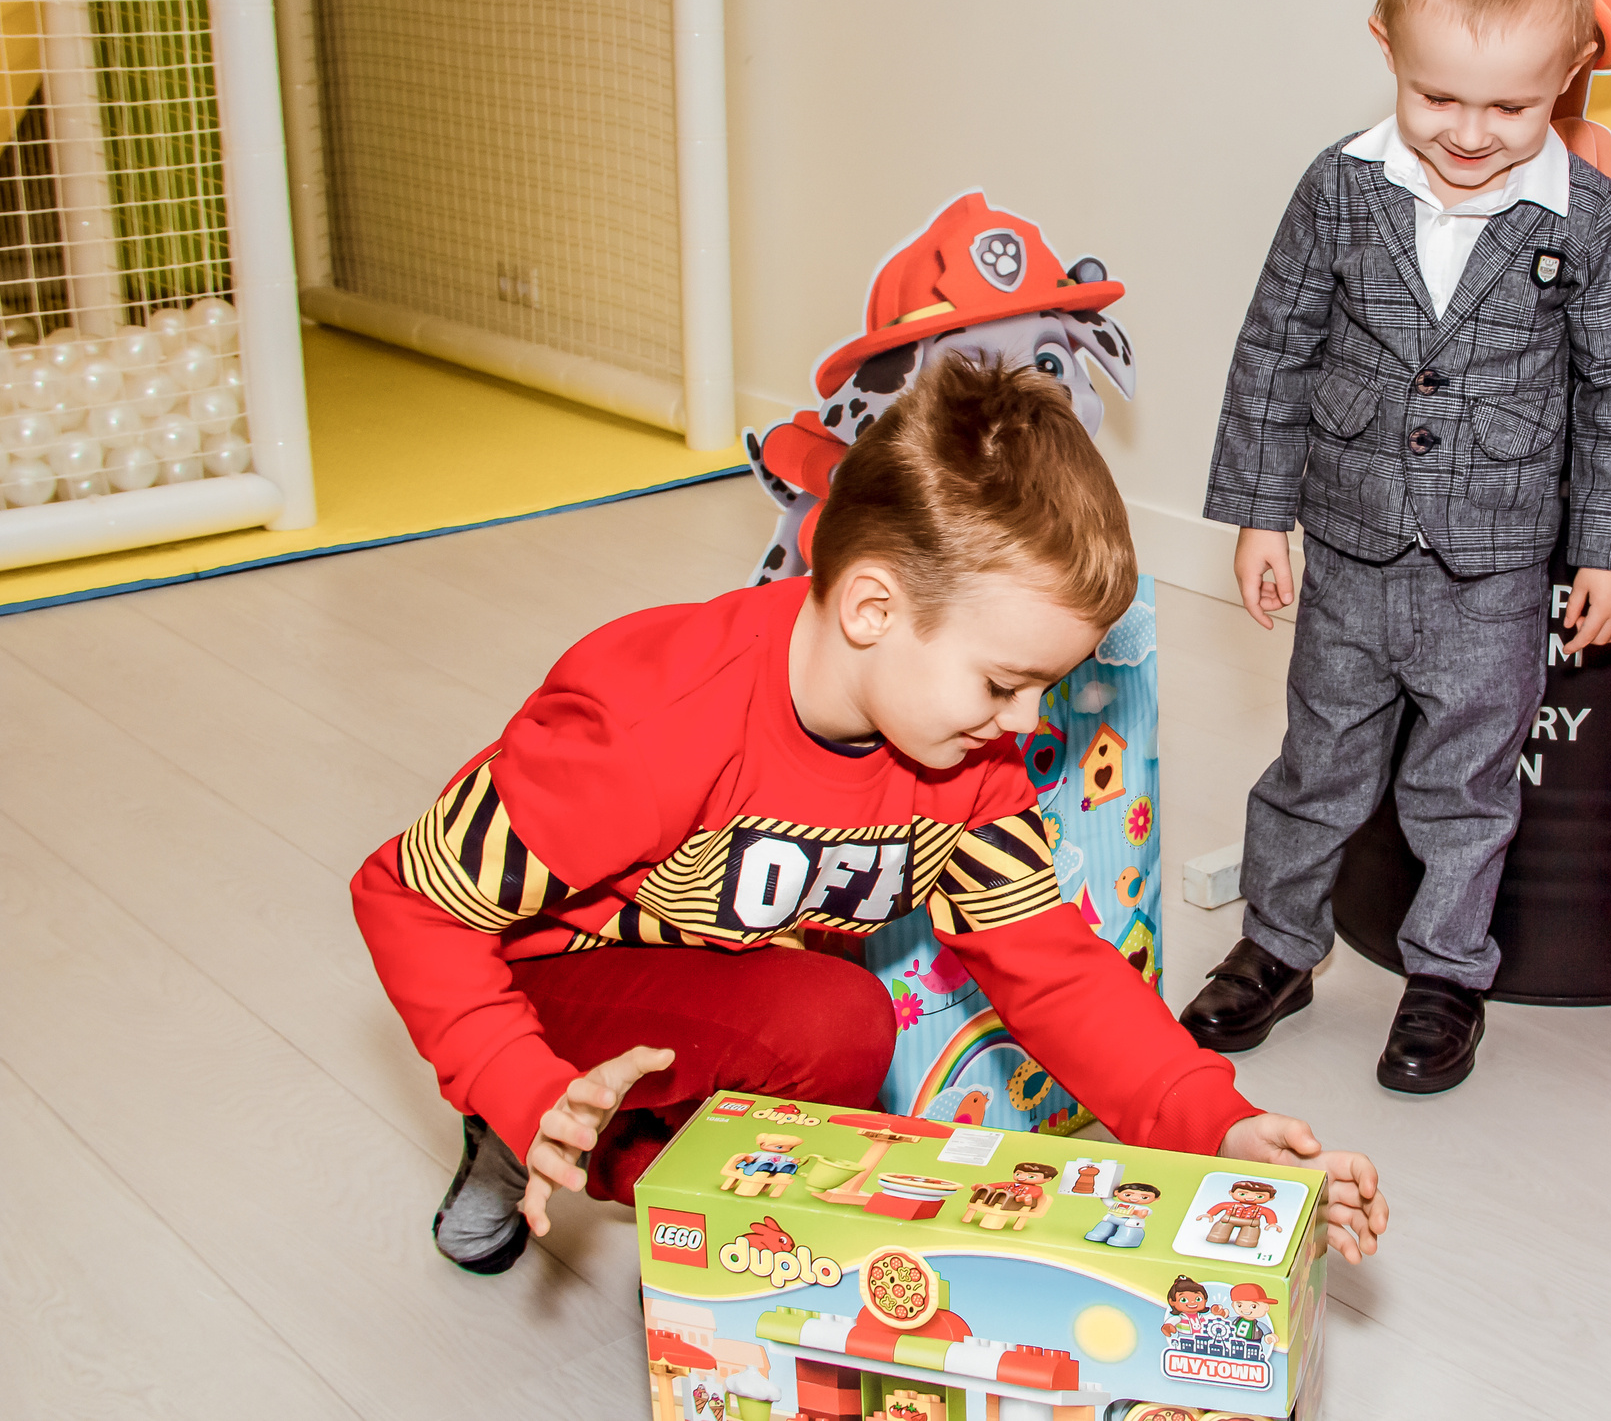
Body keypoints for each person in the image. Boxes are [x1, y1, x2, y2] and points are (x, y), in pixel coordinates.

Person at [350, 357, 1388, 1277]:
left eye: (1046, 689)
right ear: (872, 609)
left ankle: (690, 1218)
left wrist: (1220, 1125)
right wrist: (516, 1078)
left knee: (840, 1025)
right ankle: (521, 1128)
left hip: (716, 966)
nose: (1025, 723)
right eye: (1002, 683)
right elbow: (404, 896)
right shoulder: (650, 718)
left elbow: (1057, 970)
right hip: (541, 973)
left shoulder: (966, 758)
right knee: (817, 1029)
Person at [1184, 0, 1611, 1093]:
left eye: (1509, 105)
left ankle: (1447, 972)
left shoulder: (1585, 218)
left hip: (1494, 568)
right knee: (1317, 761)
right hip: (1349, 549)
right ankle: (1279, 943)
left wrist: (1610, 550)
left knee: (1464, 782)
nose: (1468, 131)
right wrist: (1260, 513)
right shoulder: (1338, 189)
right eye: (1437, 96)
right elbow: (1274, 351)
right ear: (1385, 49)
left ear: (1571, 71)